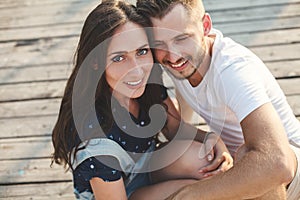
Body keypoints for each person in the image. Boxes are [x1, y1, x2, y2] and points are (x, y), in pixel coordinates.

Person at [51, 1, 233, 199]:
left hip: (147, 166)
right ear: (96, 62)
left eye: (142, 51)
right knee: (195, 194)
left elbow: (175, 129)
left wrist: (213, 139)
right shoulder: (95, 141)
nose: (137, 70)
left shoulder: (146, 84)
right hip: (120, 193)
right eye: (119, 58)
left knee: (205, 161)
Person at [136, 0, 300, 199]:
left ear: (205, 26)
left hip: (287, 174)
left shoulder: (232, 70)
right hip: (233, 161)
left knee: (247, 154)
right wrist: (209, 138)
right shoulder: (178, 57)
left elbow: (278, 162)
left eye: (182, 38)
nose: (172, 56)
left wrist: (189, 195)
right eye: (159, 44)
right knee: (153, 179)